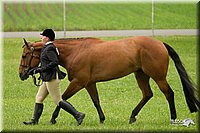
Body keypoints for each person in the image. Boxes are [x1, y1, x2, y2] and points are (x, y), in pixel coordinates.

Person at [23, 29, 85, 125]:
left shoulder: (50, 48)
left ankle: (78, 115)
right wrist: (36, 69)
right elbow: (46, 62)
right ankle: (34, 121)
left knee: (58, 100)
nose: (41, 38)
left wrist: (40, 69)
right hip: (46, 77)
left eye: (43, 36)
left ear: (47, 38)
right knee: (39, 98)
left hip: (52, 77)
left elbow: (54, 62)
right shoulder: (47, 47)